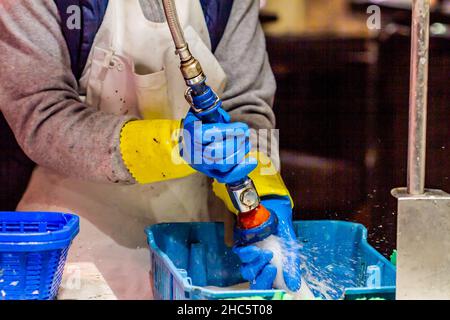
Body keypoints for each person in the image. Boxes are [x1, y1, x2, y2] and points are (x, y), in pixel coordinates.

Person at [0, 0, 301, 299]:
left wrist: (261, 192)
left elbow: (247, 104)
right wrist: (175, 147)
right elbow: (41, 115)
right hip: (80, 233)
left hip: (200, 244)